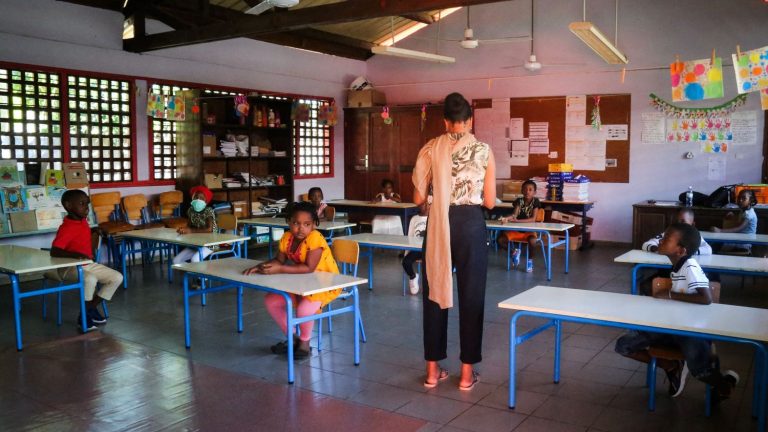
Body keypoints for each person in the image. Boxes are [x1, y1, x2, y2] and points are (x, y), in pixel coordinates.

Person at [412, 92, 496, 390]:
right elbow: (489, 201)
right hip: (470, 224)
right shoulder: (483, 150)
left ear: (445, 121)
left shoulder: (430, 148)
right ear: (469, 120)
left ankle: (432, 371)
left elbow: (418, 197)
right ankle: (466, 374)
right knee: (472, 296)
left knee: (434, 293)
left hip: (438, 224)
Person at [615, 223, 739, 405]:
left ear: (681, 250)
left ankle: (725, 385)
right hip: (670, 326)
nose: (661, 241)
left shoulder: (690, 266)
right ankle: (671, 365)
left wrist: (669, 294)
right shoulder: (677, 266)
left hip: (691, 331)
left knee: (700, 371)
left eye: (667, 239)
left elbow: (706, 298)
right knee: (623, 345)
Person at [242, 201, 340, 358]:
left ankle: (305, 343)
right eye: (296, 223)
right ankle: (294, 338)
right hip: (300, 282)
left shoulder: (315, 238)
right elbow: (279, 260)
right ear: (288, 222)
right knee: (271, 301)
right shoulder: (287, 237)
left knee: (303, 310)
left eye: (306, 224)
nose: (301, 228)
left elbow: (309, 268)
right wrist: (261, 266)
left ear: (313, 225)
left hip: (324, 284)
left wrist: (280, 269)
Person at [50, 189, 123, 332]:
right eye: (82, 204)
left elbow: (80, 235)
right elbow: (55, 251)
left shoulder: (82, 221)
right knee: (90, 279)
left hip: (87, 264)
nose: (87, 208)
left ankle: (89, 309)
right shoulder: (66, 228)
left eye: (87, 204)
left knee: (117, 277)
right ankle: (84, 317)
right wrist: (75, 255)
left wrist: (93, 230)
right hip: (68, 267)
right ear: (68, 205)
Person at [497, 180, 541, 272]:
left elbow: (533, 219)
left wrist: (518, 221)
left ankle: (530, 261)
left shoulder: (536, 201)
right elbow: (515, 215)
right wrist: (506, 219)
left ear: (535, 192)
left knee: (532, 241)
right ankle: (514, 252)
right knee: (500, 240)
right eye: (525, 189)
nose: (527, 191)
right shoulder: (519, 201)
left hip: (529, 231)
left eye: (530, 190)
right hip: (516, 231)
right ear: (521, 191)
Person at [172, 186, 218, 265]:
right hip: (196, 243)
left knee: (195, 260)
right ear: (192, 198)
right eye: (196, 197)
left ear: (206, 201)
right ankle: (192, 272)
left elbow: (210, 229)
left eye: (201, 198)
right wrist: (183, 230)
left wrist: (190, 230)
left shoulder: (208, 211)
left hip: (210, 244)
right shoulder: (191, 211)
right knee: (176, 261)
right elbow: (189, 226)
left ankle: (202, 273)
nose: (198, 200)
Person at [642, 208, 712, 255]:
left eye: (683, 222)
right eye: (676, 222)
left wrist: (688, 252)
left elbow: (708, 250)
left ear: (692, 224)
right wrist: (659, 249)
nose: (679, 224)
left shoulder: (695, 237)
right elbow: (645, 245)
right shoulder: (667, 234)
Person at [712, 189, 757, 253]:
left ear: (750, 200)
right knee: (715, 244)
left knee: (715, 246)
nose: (740, 200)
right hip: (739, 238)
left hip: (744, 243)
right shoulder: (744, 210)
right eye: (739, 198)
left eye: (744, 198)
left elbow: (739, 228)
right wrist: (733, 216)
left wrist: (720, 231)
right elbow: (740, 220)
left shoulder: (749, 214)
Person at [402, 199, 429, 295]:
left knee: (428, 266)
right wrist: (406, 252)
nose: (425, 206)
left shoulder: (434, 218)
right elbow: (410, 236)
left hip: (429, 250)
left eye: (427, 204)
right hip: (416, 250)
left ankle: (429, 286)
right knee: (406, 262)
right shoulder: (414, 219)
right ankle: (413, 277)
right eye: (422, 204)